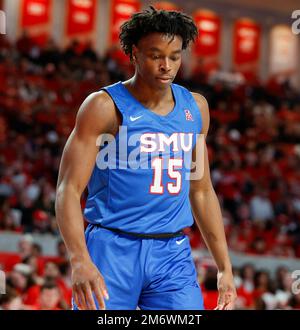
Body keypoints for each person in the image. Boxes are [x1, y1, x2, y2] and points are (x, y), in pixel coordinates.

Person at [55, 7, 236, 310]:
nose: (167, 66)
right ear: (135, 54)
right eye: (156, 56)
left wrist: (224, 267)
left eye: (175, 57)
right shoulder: (103, 106)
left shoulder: (196, 108)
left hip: (172, 251)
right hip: (112, 248)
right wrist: (79, 259)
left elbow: (201, 190)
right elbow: (68, 190)